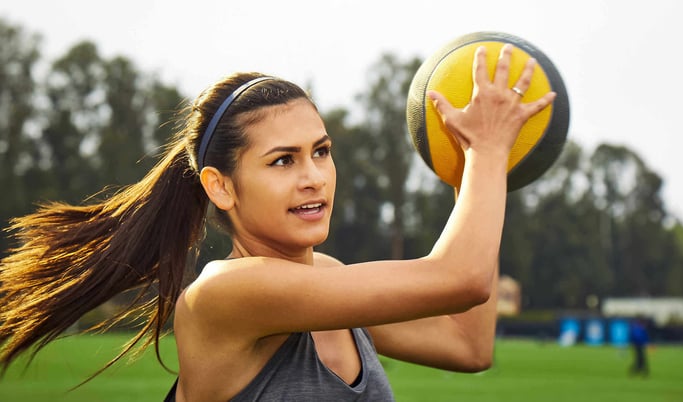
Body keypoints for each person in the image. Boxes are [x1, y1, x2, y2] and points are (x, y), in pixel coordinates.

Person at [0, 44, 555, 401]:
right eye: (283, 160)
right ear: (220, 186)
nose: (313, 176)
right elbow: (462, 279)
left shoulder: (331, 282)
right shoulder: (228, 292)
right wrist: (487, 151)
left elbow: (467, 343)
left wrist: (468, 168)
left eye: (321, 150)